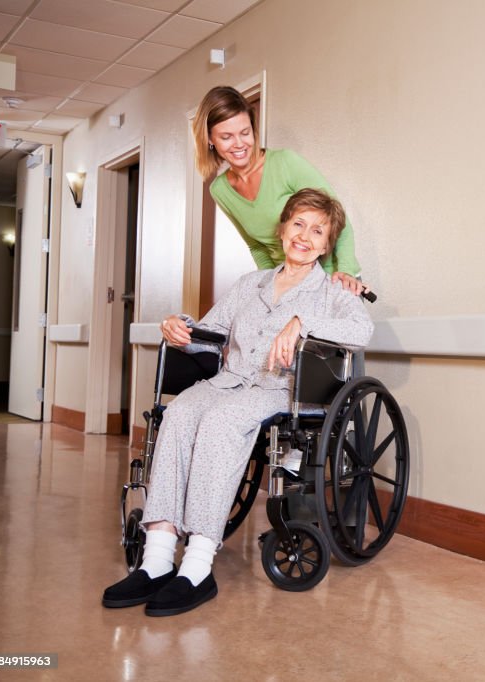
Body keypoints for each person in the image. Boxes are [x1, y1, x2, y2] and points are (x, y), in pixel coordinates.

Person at [102, 189, 373, 616]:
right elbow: (211, 334)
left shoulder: (333, 293)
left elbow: (360, 330)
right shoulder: (251, 284)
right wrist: (182, 328)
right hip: (228, 380)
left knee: (220, 424)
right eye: (298, 224)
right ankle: (156, 560)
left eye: (317, 230)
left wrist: (302, 322)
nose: (305, 236)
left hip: (279, 390)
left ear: (327, 245)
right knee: (179, 414)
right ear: (283, 229)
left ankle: (196, 567)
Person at [193, 85, 366, 295]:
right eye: (227, 137)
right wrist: (273, 285)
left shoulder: (285, 163)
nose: (239, 144)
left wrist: (346, 271)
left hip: (334, 280)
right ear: (210, 139)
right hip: (289, 287)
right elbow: (257, 247)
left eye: (245, 133)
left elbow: (340, 221)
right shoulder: (220, 190)